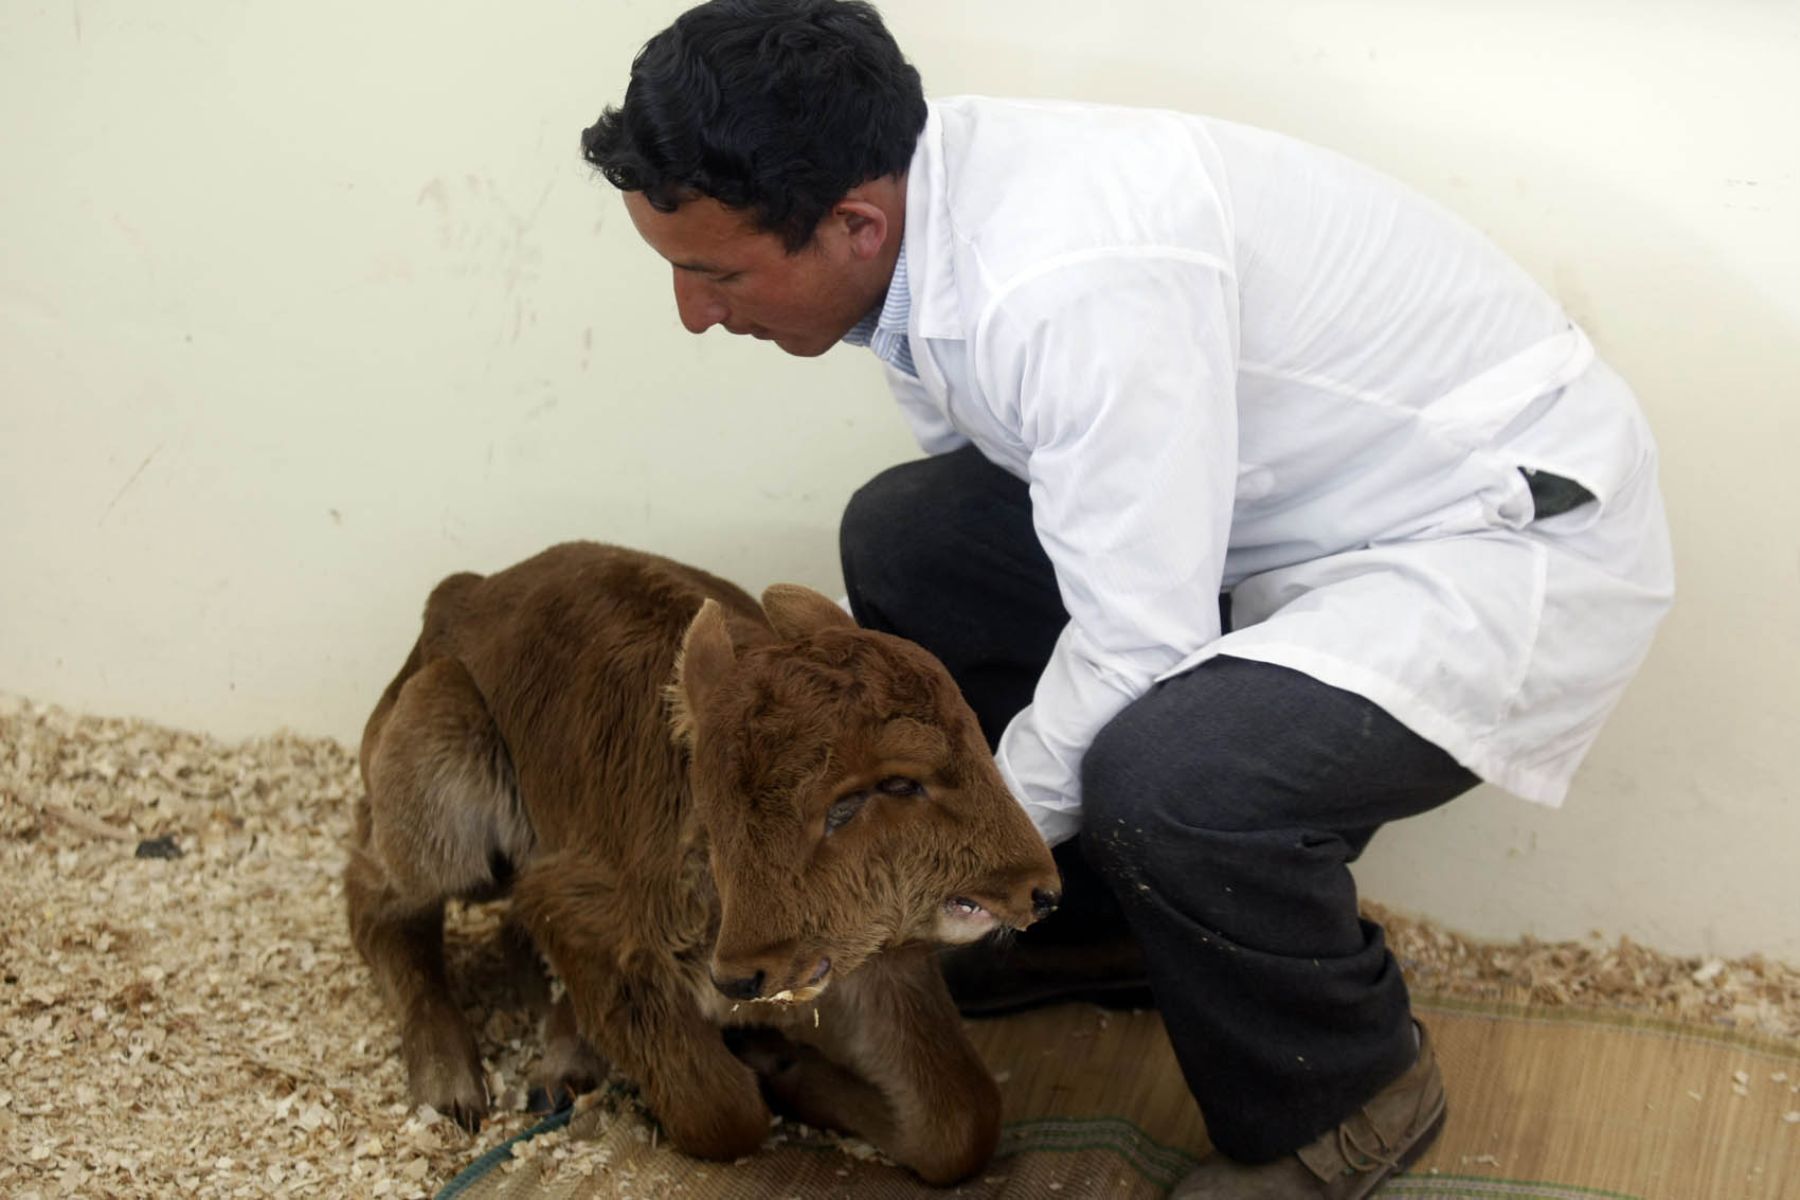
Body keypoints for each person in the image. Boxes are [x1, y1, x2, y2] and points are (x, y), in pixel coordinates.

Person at [580, 2, 1675, 1196]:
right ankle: (1098, 922)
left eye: (712, 272)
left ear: (854, 223)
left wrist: (953, 872)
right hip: (1299, 506)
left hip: (1487, 544)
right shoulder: (923, 212)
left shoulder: (1068, 283)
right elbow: (1045, 496)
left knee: (1175, 778)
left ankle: (1351, 1098)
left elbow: (1137, 640)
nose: (693, 313)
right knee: (909, 536)